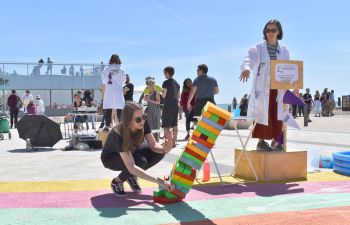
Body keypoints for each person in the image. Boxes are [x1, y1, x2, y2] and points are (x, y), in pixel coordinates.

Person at [101, 102, 174, 197]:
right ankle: (117, 181)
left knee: (159, 153)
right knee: (140, 162)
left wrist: (167, 146)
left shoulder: (143, 123)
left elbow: (154, 146)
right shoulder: (119, 134)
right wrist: (160, 182)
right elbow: (131, 166)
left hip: (130, 151)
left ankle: (131, 176)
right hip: (111, 159)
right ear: (128, 120)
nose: (142, 121)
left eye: (144, 116)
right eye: (138, 119)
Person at [240, 19, 289, 151]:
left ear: (278, 32)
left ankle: (277, 142)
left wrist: (294, 86)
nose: (270, 33)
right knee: (262, 114)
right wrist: (246, 68)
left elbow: (289, 68)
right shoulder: (258, 48)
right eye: (268, 30)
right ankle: (261, 142)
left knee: (278, 115)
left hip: (278, 88)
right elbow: (249, 59)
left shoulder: (283, 50)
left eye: (273, 30)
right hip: (263, 88)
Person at [101, 54, 126, 132]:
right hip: (118, 91)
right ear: (118, 60)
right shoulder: (121, 69)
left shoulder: (106, 69)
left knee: (108, 108)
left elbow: (103, 81)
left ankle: (107, 125)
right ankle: (122, 125)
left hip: (109, 90)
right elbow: (124, 81)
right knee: (119, 108)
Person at [161, 66, 180, 147]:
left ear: (168, 73)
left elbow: (164, 95)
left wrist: (159, 94)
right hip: (175, 105)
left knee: (166, 126)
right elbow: (179, 96)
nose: (164, 74)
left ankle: (168, 143)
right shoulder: (177, 83)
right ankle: (173, 143)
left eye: (164, 73)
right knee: (175, 125)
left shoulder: (166, 82)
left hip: (168, 106)